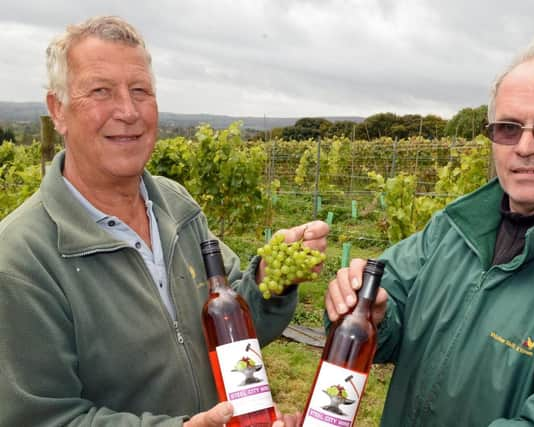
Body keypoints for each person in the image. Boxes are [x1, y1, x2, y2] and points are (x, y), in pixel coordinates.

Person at [0, 15, 328, 427]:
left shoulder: (177, 205)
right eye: (101, 91)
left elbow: (232, 332)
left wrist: (270, 282)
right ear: (58, 110)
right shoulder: (21, 259)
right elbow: (40, 418)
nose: (128, 111)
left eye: (141, 91)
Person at [326, 40, 534, 426]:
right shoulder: (454, 228)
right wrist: (369, 313)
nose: (525, 147)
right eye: (508, 128)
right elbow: (384, 323)